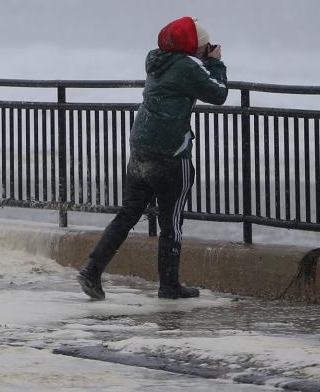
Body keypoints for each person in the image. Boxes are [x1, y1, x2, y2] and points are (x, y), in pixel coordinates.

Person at [77, 16, 227, 300]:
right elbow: (218, 94)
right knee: (172, 223)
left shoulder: (157, 62)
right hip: (170, 154)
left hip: (140, 150)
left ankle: (92, 270)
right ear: (194, 46)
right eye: (204, 45)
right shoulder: (185, 67)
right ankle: (169, 286)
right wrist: (215, 63)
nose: (205, 49)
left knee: (127, 215)